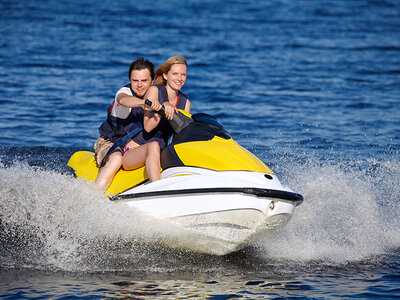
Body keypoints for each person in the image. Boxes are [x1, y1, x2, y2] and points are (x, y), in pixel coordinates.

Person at [94, 57, 161, 191]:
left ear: (152, 80)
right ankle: (92, 197)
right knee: (116, 159)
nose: (139, 85)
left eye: (144, 81)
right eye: (135, 81)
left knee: (156, 148)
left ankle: (159, 189)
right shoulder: (124, 92)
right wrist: (145, 103)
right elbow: (123, 100)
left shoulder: (157, 93)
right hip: (110, 143)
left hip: (135, 146)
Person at [122, 56, 191, 171]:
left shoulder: (185, 103)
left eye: (183, 75)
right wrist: (162, 109)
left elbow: (180, 137)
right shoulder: (154, 90)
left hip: (160, 152)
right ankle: (157, 186)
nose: (180, 78)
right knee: (153, 145)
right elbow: (148, 127)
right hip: (135, 150)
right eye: (175, 74)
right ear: (165, 75)